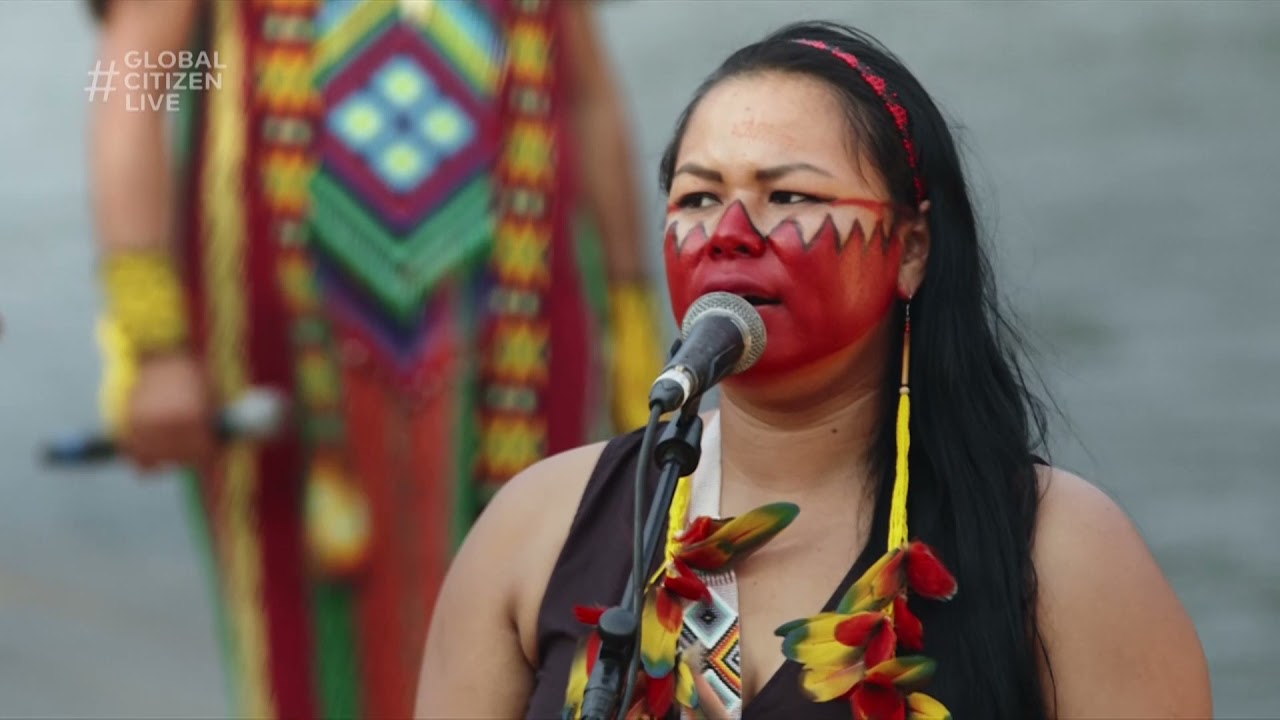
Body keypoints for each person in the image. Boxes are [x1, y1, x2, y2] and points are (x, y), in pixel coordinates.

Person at [416, 20, 1213, 720]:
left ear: (911, 250)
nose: (728, 232)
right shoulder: (533, 533)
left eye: (788, 195)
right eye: (697, 199)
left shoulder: (1063, 551)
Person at [85, 0, 663, 718]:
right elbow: (133, 82)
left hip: (518, 339)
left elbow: (584, 92)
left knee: (529, 633)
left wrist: (634, 316)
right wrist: (152, 338)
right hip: (287, 363)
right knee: (305, 659)